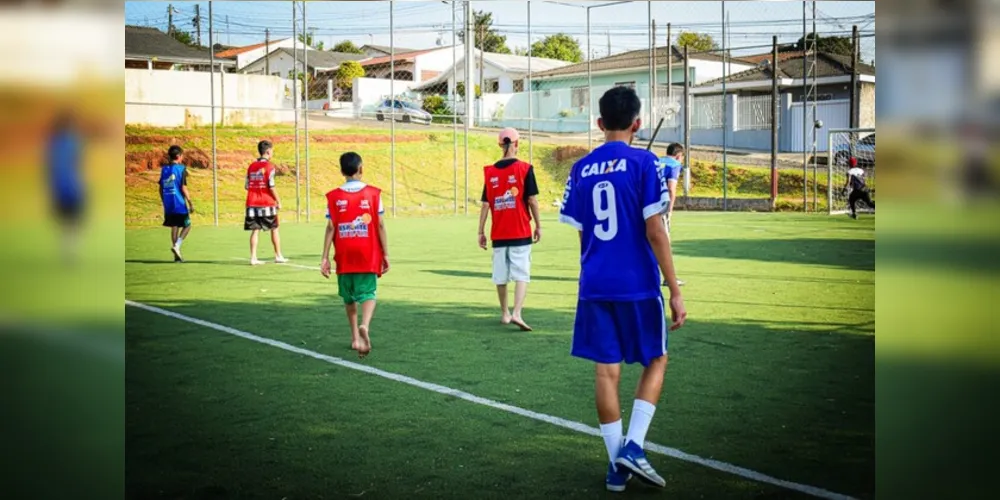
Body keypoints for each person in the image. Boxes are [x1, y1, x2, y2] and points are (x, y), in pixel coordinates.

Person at [558, 86, 687, 492]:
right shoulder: (648, 163)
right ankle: (633, 446)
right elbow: (656, 230)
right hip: (636, 283)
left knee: (606, 371)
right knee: (657, 359)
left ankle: (617, 467)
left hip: (594, 282)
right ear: (638, 123)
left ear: (599, 124)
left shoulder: (579, 169)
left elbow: (582, 236)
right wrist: (674, 288)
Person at [320, 152, 390, 359]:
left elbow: (330, 227)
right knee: (368, 293)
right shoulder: (373, 194)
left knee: (349, 298)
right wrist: (385, 253)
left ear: (342, 171)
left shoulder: (333, 196)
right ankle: (365, 326)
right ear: (361, 169)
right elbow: (381, 225)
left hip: (344, 253)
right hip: (367, 252)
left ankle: (354, 338)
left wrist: (324, 257)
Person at [478, 127, 542, 332]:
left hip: (498, 233)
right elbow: (532, 199)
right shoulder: (525, 168)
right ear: (517, 144)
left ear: (499, 145)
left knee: (500, 275)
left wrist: (480, 231)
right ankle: (517, 312)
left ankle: (505, 313)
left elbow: (486, 204)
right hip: (520, 231)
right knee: (522, 273)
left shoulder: (490, 172)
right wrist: (539, 225)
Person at [47, 110, 84, 265]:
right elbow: (78, 162)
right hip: (72, 187)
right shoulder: (73, 141)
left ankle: (66, 250)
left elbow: (48, 166)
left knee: (65, 222)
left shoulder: (52, 143)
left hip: (59, 187)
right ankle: (70, 250)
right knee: (73, 221)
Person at [245, 140, 288, 265]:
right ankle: (278, 255)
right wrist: (278, 201)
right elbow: (271, 186)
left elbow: (247, 186)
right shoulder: (270, 167)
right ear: (268, 151)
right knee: (274, 228)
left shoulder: (251, 166)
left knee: (255, 230)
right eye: (272, 150)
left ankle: (253, 258)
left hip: (252, 203)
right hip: (267, 203)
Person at [159, 145, 194, 262]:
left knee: (174, 226)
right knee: (187, 225)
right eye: (182, 155)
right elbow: (183, 188)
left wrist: (164, 201)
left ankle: (176, 256)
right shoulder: (181, 169)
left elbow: (161, 188)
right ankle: (177, 246)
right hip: (179, 203)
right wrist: (190, 202)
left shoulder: (164, 170)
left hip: (168, 204)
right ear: (178, 156)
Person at [657, 143, 685, 287]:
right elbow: (671, 189)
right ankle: (669, 278)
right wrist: (670, 210)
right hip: (661, 207)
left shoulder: (656, 161)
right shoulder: (674, 165)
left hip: (646, 206)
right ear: (679, 156)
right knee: (664, 242)